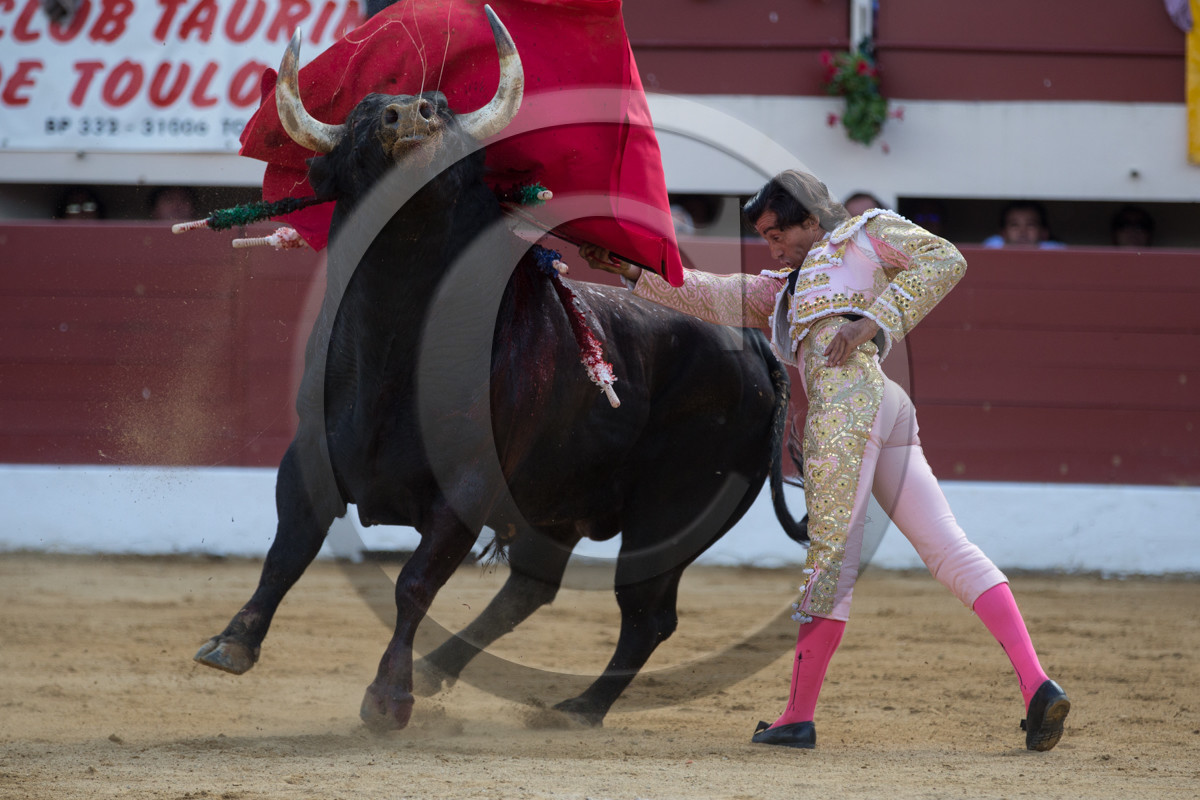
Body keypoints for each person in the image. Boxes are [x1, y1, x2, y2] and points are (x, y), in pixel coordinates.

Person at [580, 169, 1070, 752]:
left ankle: (797, 716)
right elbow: (712, 293)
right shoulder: (785, 287)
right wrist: (634, 271)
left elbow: (945, 258)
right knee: (948, 549)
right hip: (883, 405)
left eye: (777, 235)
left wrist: (874, 322)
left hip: (847, 404)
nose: (773, 248)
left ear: (811, 221)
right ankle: (1037, 684)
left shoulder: (866, 234)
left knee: (830, 562)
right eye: (766, 238)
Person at [982, 200, 1064, 248]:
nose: (1022, 232)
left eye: (1030, 225)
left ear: (1044, 233)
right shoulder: (990, 248)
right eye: (1014, 225)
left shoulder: (1056, 252)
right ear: (1003, 233)